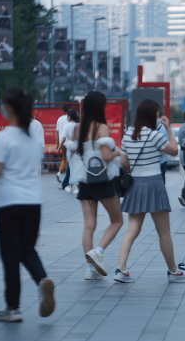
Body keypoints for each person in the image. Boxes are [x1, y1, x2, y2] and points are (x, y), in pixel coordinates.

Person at [0, 88, 55, 322]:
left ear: (10, 108)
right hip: (33, 201)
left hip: (8, 202)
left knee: (10, 255)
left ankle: (13, 308)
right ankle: (42, 280)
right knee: (27, 249)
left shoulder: (5, 137)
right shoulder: (35, 136)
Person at [115, 99, 185, 283]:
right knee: (164, 232)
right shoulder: (155, 135)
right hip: (153, 184)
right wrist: (168, 129)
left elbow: (123, 162)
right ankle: (173, 271)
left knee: (132, 229)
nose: (160, 118)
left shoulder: (128, 134)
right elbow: (175, 151)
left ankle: (121, 268)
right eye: (159, 115)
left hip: (135, 184)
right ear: (153, 116)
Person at [64, 92, 123, 280]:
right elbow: (106, 156)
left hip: (85, 181)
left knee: (89, 225)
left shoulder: (77, 128)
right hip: (103, 180)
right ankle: (98, 251)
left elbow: (75, 153)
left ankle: (90, 269)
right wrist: (118, 152)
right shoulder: (101, 127)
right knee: (117, 220)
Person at [60, 110, 80, 194]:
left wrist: (59, 148)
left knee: (72, 167)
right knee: (78, 166)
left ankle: (73, 186)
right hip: (79, 147)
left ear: (69, 116)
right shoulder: (79, 125)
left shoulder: (67, 126)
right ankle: (74, 186)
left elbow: (64, 138)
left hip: (71, 147)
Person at [55, 105, 72, 183]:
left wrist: (57, 144)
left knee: (64, 158)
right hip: (69, 142)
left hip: (62, 142)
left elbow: (57, 132)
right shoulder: (69, 119)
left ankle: (59, 173)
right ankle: (68, 178)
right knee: (69, 160)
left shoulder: (59, 119)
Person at [157, 112, 170, 183]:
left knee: (161, 182)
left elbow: (166, 145)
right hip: (154, 162)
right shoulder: (148, 128)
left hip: (161, 161)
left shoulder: (162, 128)